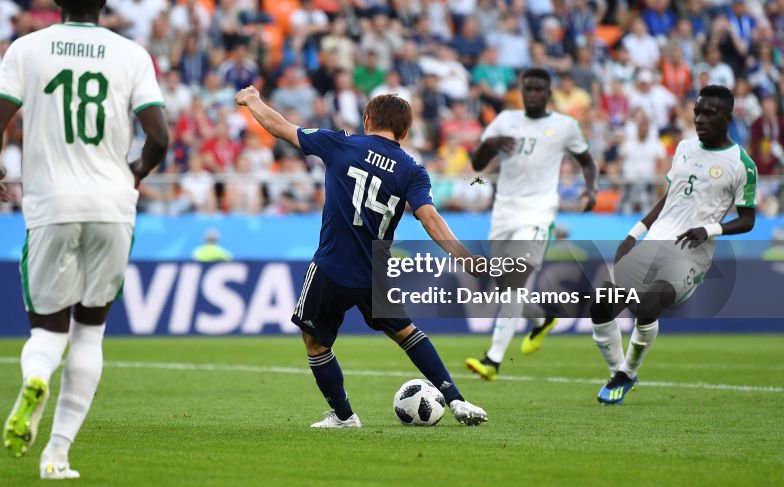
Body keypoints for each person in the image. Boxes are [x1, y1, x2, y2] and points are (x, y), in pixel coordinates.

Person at [0, 0, 168, 479]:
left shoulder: (27, 49)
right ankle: (56, 455)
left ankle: (36, 376)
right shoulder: (131, 54)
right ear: (104, 1)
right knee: (90, 334)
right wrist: (133, 173)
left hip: (52, 206)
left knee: (47, 332)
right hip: (112, 205)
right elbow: (160, 137)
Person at [235, 88, 488, 428]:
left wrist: (253, 101)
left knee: (315, 342)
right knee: (407, 333)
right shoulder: (413, 171)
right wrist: (464, 256)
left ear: (367, 120)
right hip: (375, 272)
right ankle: (456, 400)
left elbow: (279, 126)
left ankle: (343, 416)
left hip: (332, 265)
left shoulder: (341, 144)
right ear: (405, 131)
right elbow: (429, 218)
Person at [591, 85, 756, 404]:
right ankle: (619, 374)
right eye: (697, 112)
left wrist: (709, 229)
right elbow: (670, 197)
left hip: (691, 254)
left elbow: (747, 219)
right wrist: (634, 232)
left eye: (708, 113)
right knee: (600, 303)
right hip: (655, 240)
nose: (700, 119)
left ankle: (627, 372)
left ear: (727, 117)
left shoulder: (741, 164)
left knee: (648, 304)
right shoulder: (683, 147)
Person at [465, 68, 598, 381]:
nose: (533, 94)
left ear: (548, 93)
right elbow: (477, 165)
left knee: (512, 282)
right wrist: (490, 142)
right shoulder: (504, 121)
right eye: (529, 89)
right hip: (503, 212)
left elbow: (587, 162)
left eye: (539, 89)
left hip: (538, 212)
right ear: (522, 91)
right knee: (506, 288)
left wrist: (591, 189)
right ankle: (542, 320)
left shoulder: (564, 126)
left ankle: (492, 360)